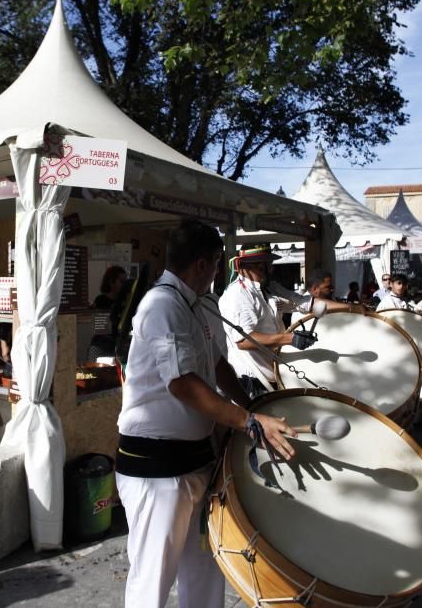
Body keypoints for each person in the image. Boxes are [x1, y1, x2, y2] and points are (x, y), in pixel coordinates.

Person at [116, 221, 294, 608]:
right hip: (157, 468)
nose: (218, 271)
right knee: (153, 579)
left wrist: (251, 409)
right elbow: (182, 383)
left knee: (206, 568)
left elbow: (216, 367)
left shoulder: (199, 305)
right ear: (202, 263)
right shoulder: (161, 306)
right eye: (216, 263)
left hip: (196, 461)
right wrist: (246, 421)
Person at [218, 244, 319, 397]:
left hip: (273, 378)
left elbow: (305, 303)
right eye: (261, 266)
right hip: (253, 382)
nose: (268, 269)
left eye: (267, 264)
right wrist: (291, 338)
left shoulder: (269, 288)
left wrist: (354, 309)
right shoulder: (237, 294)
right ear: (243, 267)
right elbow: (244, 341)